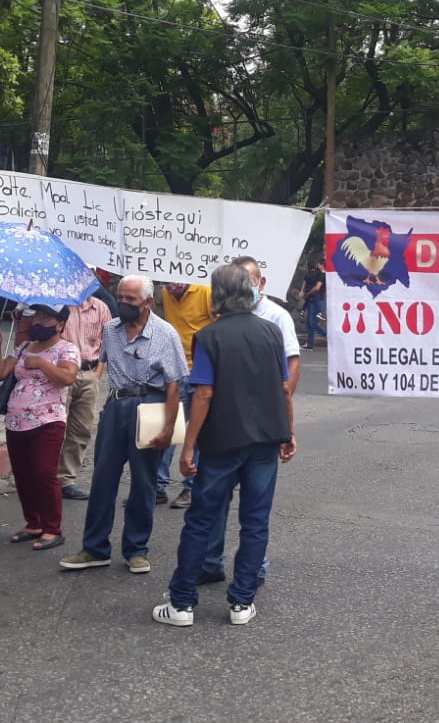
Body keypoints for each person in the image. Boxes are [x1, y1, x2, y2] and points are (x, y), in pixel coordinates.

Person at [154, 263, 295, 627]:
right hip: (265, 439)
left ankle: (183, 603)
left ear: (217, 295)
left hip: (222, 442)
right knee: (255, 521)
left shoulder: (209, 336)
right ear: (251, 291)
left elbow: (203, 394)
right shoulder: (271, 332)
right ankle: (242, 602)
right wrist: (289, 431)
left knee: (201, 519)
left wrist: (188, 447)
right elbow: (282, 389)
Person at [59, 274, 187, 575]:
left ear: (147, 302)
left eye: (131, 299)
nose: (124, 303)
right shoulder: (111, 329)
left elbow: (173, 385)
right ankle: (94, 548)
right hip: (116, 406)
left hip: (150, 406)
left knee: (144, 482)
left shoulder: (165, 334)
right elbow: (103, 361)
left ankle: (136, 550)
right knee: (103, 477)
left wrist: (169, 428)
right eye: (121, 297)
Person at [196, 256, 302, 585]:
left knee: (254, 509)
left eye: (252, 279)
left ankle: (253, 568)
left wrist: (280, 410)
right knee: (218, 502)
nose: (248, 286)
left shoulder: (275, 319)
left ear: (261, 283)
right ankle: (211, 562)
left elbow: (291, 365)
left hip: (260, 425)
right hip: (227, 425)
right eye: (242, 280)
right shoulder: (216, 328)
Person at [0, 305, 79, 551]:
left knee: (43, 473)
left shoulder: (66, 349)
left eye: (46, 317)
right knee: (23, 474)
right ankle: (33, 523)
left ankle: (52, 528)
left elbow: (68, 378)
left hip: (48, 421)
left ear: (60, 324)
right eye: (37, 316)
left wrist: (41, 363)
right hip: (16, 421)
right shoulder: (24, 347)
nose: (39, 321)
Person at [156, 281, 213, 508]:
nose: (170, 284)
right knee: (168, 429)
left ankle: (191, 487)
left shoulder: (205, 292)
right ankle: (157, 486)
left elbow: (218, 327)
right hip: (175, 371)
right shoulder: (165, 293)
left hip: (201, 372)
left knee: (198, 434)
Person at [56, 291, 111, 502]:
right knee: (55, 427)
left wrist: (98, 372)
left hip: (89, 372)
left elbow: (108, 340)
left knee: (81, 428)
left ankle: (66, 479)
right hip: (60, 372)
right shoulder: (58, 305)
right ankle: (46, 476)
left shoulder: (100, 307)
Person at [301, 259, 326, 349]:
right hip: (314, 300)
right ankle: (310, 343)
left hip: (317, 300)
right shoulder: (319, 274)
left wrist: (307, 293)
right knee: (311, 322)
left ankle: (327, 335)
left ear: (320, 265)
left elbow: (317, 288)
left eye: (318, 264)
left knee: (312, 322)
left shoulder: (322, 275)